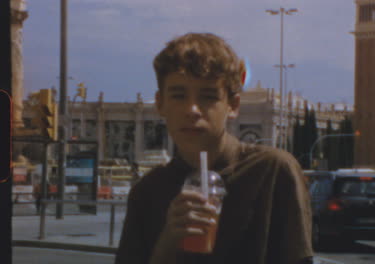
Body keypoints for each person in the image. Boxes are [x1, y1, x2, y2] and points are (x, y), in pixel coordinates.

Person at [115, 32, 313, 264]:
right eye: (179, 96)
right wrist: (169, 238)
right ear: (160, 104)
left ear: (233, 105)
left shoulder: (273, 171)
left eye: (208, 97)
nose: (193, 110)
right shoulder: (147, 191)